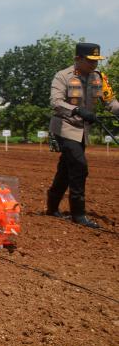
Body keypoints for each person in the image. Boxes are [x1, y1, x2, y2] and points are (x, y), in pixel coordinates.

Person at [46, 43, 119, 228]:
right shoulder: (63, 76)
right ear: (77, 59)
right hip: (65, 127)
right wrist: (77, 109)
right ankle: (78, 214)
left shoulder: (99, 77)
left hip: (82, 131)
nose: (94, 65)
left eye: (96, 61)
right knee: (79, 165)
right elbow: (55, 102)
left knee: (66, 168)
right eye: (90, 61)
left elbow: (110, 101)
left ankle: (52, 206)